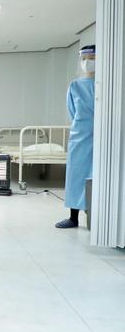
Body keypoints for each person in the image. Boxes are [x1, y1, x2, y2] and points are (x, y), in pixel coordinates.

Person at [56, 45, 95, 229]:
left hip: (103, 137)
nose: (88, 62)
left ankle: (95, 216)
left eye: (92, 58)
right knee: (76, 175)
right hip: (80, 136)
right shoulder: (75, 86)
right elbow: (72, 112)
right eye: (84, 59)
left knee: (97, 176)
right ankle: (73, 217)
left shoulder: (107, 84)